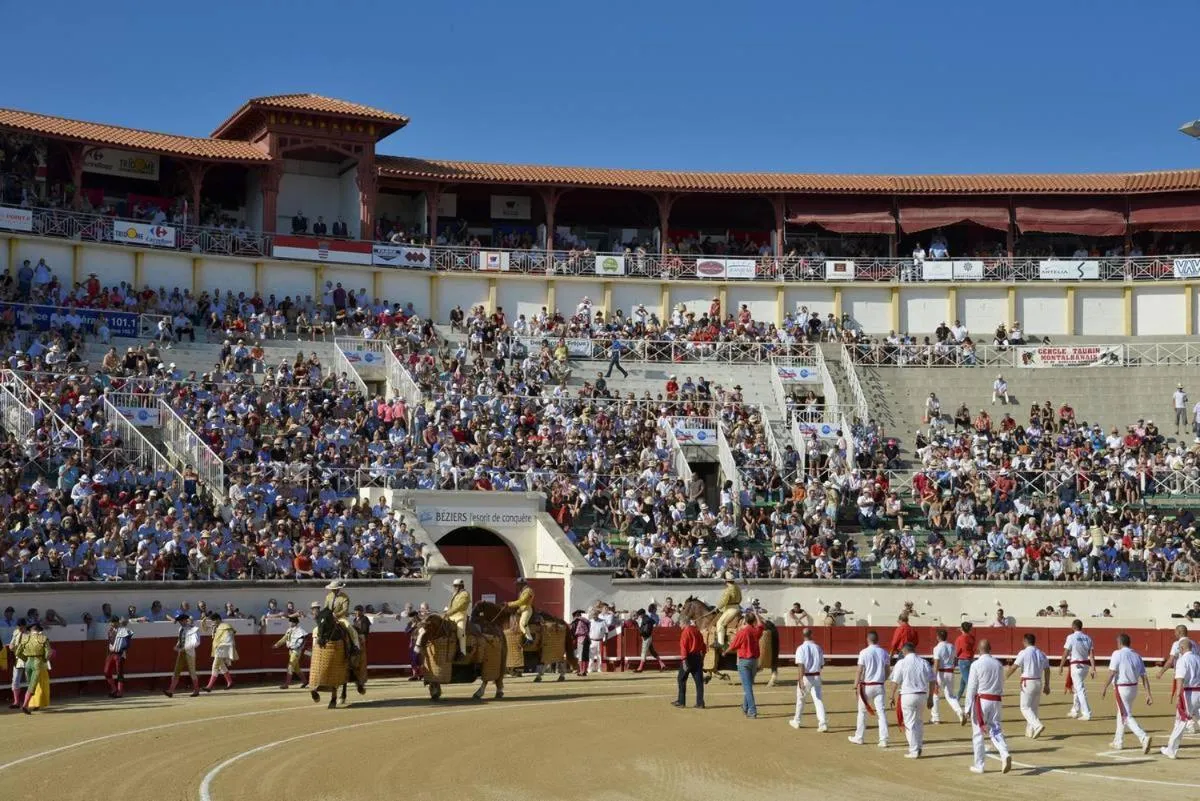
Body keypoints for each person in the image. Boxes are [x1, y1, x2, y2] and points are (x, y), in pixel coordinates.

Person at [964, 639, 1012, 775]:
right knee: (996, 730)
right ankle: (1004, 753)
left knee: (978, 734)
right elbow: (1002, 683)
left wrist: (967, 708)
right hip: (996, 700)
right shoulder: (998, 664)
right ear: (990, 649)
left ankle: (979, 765)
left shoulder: (976, 664)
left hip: (982, 701)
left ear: (978, 650)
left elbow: (971, 688)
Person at [1101, 632, 1153, 754]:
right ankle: (1118, 741)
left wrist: (1104, 687)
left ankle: (1143, 737)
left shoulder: (1117, 654)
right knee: (1121, 713)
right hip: (1133, 689)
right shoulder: (1137, 655)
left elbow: (1112, 672)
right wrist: (1148, 693)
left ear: (1119, 643)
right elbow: (1144, 677)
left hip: (1122, 689)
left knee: (1126, 716)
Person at [888, 642, 934, 758]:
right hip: (922, 695)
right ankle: (918, 746)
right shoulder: (923, 662)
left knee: (909, 723)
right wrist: (930, 697)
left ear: (904, 651)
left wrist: (891, 696)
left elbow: (895, 681)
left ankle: (914, 750)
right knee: (918, 721)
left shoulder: (902, 663)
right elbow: (933, 680)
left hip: (908, 695)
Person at [1160, 638, 1199, 759]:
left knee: (1181, 720)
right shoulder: (1198, 658)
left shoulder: (1183, 660)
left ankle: (1171, 749)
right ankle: (1171, 748)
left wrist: (1177, 695)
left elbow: (1180, 679)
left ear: (1182, 648)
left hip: (1189, 692)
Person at [849, 630, 889, 747]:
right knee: (881, 712)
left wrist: (855, 685)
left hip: (867, 686)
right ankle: (883, 739)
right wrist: (882, 680)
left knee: (862, 712)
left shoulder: (864, 652)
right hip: (879, 685)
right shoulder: (884, 652)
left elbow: (859, 670)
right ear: (877, 640)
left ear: (868, 640)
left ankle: (859, 737)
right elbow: (888, 671)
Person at [1006, 633, 1050, 739]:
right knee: (1033, 708)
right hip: (1038, 682)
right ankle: (1029, 732)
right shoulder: (1042, 653)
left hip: (1028, 682)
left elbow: (1014, 667)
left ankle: (1037, 725)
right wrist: (1047, 684)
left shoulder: (1024, 652)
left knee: (1025, 707)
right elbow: (1047, 670)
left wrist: (1004, 677)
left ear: (1025, 641)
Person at [1157, 624, 1199, 735]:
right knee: (1195, 702)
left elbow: (1171, 660)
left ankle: (1186, 724)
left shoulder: (1177, 644)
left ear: (1179, 632)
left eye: (1175, 632)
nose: (1174, 634)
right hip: (1196, 675)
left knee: (1184, 700)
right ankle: (1191, 724)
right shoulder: (1194, 643)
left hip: (1183, 675)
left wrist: (1161, 672)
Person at [725, 613, 763, 718]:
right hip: (754, 661)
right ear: (754, 621)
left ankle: (752, 710)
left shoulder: (742, 632)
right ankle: (745, 707)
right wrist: (756, 614)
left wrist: (725, 652)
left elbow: (733, 646)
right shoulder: (756, 630)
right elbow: (761, 625)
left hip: (744, 662)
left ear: (745, 620)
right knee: (749, 686)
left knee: (747, 688)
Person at [790, 628, 827, 731]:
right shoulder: (818, 648)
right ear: (812, 634)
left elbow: (801, 665)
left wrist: (800, 679)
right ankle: (822, 723)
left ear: (803, 635)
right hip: (816, 676)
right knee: (818, 700)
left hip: (806, 677)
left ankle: (797, 721)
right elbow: (822, 665)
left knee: (801, 699)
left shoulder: (800, 648)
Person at [1061, 619, 1096, 721]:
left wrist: (1061, 665)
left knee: (1080, 689)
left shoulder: (1071, 637)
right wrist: (1093, 668)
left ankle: (1087, 713)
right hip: (1085, 666)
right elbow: (1091, 655)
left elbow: (1066, 652)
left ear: (1073, 627)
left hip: (1076, 666)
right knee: (1077, 688)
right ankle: (1075, 710)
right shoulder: (1088, 638)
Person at [930, 628, 964, 724]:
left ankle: (935, 718)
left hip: (940, 673)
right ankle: (960, 713)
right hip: (950, 672)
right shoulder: (952, 646)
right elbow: (955, 659)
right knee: (950, 696)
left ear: (938, 637)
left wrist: (933, 677)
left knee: (935, 694)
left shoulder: (937, 648)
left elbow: (936, 663)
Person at [16, 623, 51, 715]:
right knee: (32, 685)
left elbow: (18, 653)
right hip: (37, 663)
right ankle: (25, 705)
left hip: (28, 663)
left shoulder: (25, 638)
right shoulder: (43, 638)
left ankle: (28, 704)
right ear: (39, 630)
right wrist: (43, 660)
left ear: (30, 630)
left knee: (30, 684)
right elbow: (48, 653)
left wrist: (26, 659)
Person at [165, 613, 201, 698]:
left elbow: (196, 643)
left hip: (189, 653)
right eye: (179, 621)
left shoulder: (193, 629)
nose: (180, 622)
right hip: (181, 652)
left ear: (186, 620)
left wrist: (184, 648)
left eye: (181, 620)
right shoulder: (181, 629)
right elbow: (180, 639)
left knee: (192, 671)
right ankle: (171, 690)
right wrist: (177, 645)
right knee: (176, 671)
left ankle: (196, 690)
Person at [672, 617, 705, 709]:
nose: (679, 626)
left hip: (688, 658)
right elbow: (704, 646)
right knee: (699, 682)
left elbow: (684, 647)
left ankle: (681, 701)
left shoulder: (685, 632)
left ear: (684, 623)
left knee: (681, 679)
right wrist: (702, 658)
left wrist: (684, 661)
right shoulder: (697, 631)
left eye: (680, 624)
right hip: (697, 657)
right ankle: (700, 703)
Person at [323, 579, 360, 653]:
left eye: (334, 589)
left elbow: (345, 610)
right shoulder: (328, 596)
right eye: (332, 589)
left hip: (340, 618)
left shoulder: (344, 597)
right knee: (318, 628)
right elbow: (325, 608)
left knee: (350, 629)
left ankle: (356, 646)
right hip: (329, 618)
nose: (333, 591)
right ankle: (317, 644)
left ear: (338, 589)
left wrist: (335, 615)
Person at [273, 614, 308, 689]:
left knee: (290, 666)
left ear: (294, 623)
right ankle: (305, 681)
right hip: (290, 651)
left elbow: (304, 639)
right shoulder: (289, 630)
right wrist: (277, 644)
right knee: (296, 668)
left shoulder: (300, 630)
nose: (289, 623)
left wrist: (298, 647)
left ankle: (286, 684)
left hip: (296, 651)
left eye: (290, 622)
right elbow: (284, 639)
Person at [205, 612, 238, 691]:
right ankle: (230, 682)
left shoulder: (225, 626)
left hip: (222, 649)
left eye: (214, 621)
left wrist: (226, 649)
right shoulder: (218, 627)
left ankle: (209, 686)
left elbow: (229, 638)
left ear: (218, 619)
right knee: (221, 666)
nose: (213, 623)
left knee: (215, 666)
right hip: (217, 649)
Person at [104, 617, 133, 698]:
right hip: (111, 654)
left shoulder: (123, 630)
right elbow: (109, 643)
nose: (111, 624)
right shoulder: (110, 631)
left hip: (119, 654)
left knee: (119, 673)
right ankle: (114, 689)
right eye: (110, 622)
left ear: (117, 622)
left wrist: (124, 649)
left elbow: (129, 641)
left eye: (112, 622)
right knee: (106, 672)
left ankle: (120, 692)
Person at [713, 572, 742, 650]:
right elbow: (740, 598)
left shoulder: (728, 589)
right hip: (737, 607)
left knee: (720, 623)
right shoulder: (737, 587)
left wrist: (717, 607)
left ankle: (721, 643)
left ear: (726, 581)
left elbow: (723, 601)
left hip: (731, 609)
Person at [444, 578, 470, 657]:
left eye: (456, 586)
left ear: (461, 586)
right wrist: (446, 610)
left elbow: (459, 606)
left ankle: (463, 652)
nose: (455, 587)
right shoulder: (455, 594)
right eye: (454, 586)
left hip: (460, 616)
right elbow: (451, 605)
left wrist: (449, 612)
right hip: (451, 616)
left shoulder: (465, 594)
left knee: (460, 632)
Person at [507, 578, 535, 644]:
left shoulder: (528, 591)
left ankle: (529, 638)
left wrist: (509, 604)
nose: (517, 586)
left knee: (522, 623)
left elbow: (522, 601)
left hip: (527, 610)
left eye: (518, 584)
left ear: (522, 584)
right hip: (522, 610)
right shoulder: (523, 591)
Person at [7, 618, 28, 708]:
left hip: (28, 659)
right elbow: (11, 644)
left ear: (25, 626)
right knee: (15, 680)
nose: (19, 628)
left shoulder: (29, 634)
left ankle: (32, 701)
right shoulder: (15, 632)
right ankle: (16, 702)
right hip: (18, 659)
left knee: (31, 681)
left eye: (21, 626)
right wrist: (11, 646)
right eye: (18, 626)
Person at [954, 622, 977, 702]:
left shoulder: (959, 638)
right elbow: (974, 649)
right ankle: (957, 699)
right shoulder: (972, 638)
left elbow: (957, 652)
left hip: (963, 661)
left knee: (969, 683)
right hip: (971, 661)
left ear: (962, 629)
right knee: (963, 682)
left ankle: (975, 700)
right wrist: (963, 630)